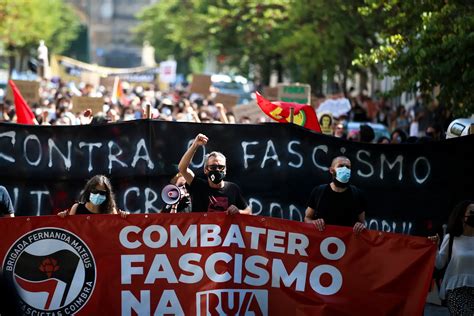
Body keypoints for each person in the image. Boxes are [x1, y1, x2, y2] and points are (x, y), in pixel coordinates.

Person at [178, 133, 251, 214]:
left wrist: (238, 212)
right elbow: (182, 168)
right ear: (206, 170)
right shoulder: (198, 185)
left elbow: (248, 211)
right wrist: (195, 145)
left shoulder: (232, 188)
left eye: (221, 167)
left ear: (225, 170)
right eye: (213, 167)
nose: (217, 170)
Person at [428, 200, 474, 315]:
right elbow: (439, 263)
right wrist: (435, 247)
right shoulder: (451, 238)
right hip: (456, 289)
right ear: (462, 216)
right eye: (472, 212)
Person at [304, 156, 366, 233]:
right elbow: (307, 218)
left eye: (348, 167)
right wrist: (313, 222)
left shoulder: (357, 194)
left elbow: (362, 223)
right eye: (341, 166)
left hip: (347, 243)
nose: (345, 169)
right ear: (331, 170)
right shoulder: (319, 191)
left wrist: (360, 226)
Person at [58, 175, 128, 217]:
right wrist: (63, 218)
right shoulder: (77, 208)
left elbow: (117, 229)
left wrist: (124, 217)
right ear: (89, 190)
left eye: (102, 193)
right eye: (95, 191)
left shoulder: (110, 211)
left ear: (107, 195)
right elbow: (70, 230)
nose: (98, 195)